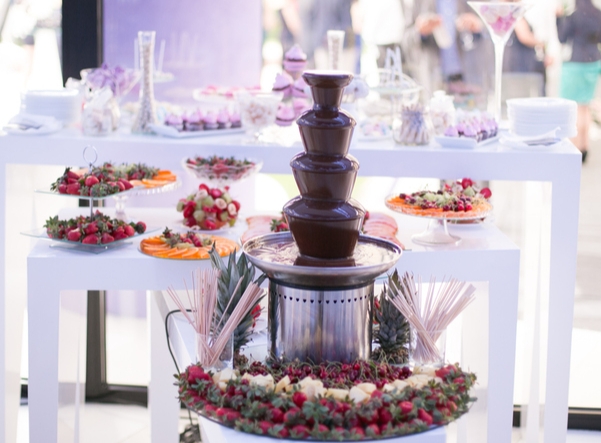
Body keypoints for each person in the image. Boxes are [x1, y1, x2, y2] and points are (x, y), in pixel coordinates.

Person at [401, 0, 494, 99]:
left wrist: (478, 26)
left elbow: (492, 31)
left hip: (470, 82)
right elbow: (406, 39)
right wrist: (420, 30)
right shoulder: (420, 2)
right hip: (435, 84)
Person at [557, 0, 601, 162]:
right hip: (594, 62)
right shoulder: (598, 13)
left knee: (574, 108)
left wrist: (558, 18)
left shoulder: (573, 15)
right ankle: (584, 146)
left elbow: (562, 37)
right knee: (585, 107)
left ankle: (574, 147)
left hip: (576, 63)